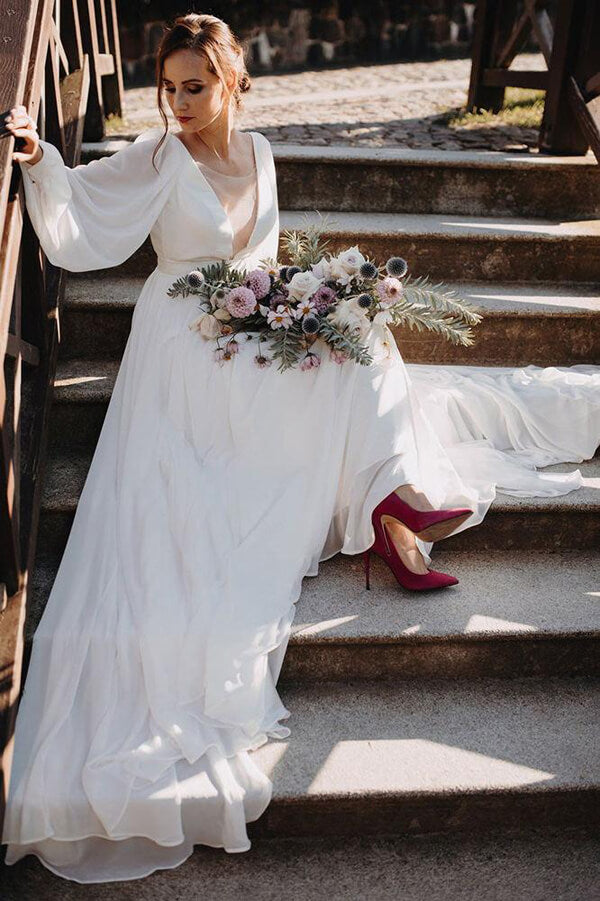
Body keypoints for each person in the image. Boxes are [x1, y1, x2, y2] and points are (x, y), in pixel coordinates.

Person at [2, 11, 599, 885]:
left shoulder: (265, 153)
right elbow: (84, 210)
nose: (177, 104)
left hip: (257, 325)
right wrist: (36, 157)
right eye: (166, 88)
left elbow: (267, 254)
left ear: (232, 80)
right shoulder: (161, 155)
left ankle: (394, 506)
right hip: (182, 342)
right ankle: (385, 507)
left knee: (364, 327)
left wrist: (303, 304)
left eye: (194, 87)